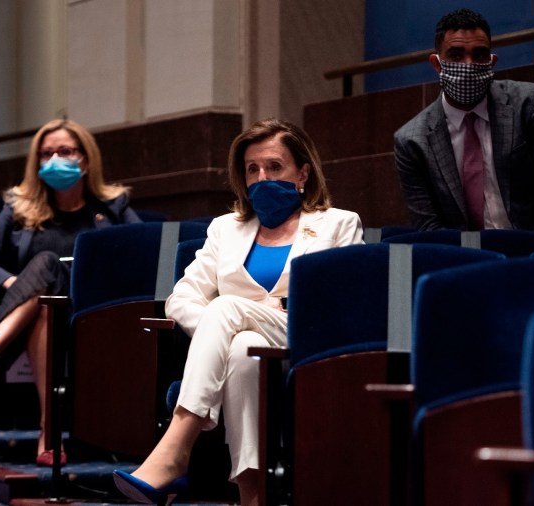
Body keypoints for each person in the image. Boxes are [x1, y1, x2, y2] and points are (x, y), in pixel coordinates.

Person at [112, 118, 364, 505]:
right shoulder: (224, 229)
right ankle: (252, 494)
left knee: (228, 306)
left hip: (303, 342)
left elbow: (343, 302)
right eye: (252, 169)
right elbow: (180, 300)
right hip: (244, 349)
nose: (262, 177)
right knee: (243, 347)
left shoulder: (339, 224)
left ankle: (178, 443)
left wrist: (234, 311)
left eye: (275, 167)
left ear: (303, 173)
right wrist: (230, 324)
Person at [0, 118, 140, 466]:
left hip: (87, 318)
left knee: (49, 268)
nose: (55, 160)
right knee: (46, 277)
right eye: (46, 154)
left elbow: (144, 251)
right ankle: (49, 433)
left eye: (65, 152)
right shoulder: (18, 208)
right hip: (25, 318)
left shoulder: (112, 208)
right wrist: (16, 285)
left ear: (86, 159)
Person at [394, 8, 534, 243]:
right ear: (437, 63)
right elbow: (429, 228)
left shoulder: (529, 104)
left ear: (492, 61)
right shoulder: (412, 140)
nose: (469, 64)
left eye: (479, 54)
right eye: (455, 55)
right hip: (465, 263)